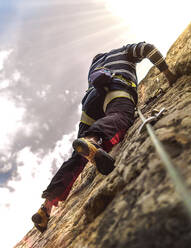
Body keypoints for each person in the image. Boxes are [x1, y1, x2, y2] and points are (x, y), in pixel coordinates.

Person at [32, 42, 177, 232]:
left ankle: (46, 207)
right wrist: (168, 74)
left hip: (90, 103)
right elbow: (147, 48)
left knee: (77, 157)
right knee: (120, 116)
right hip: (116, 88)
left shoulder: (96, 65)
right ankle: (92, 141)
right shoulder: (125, 51)